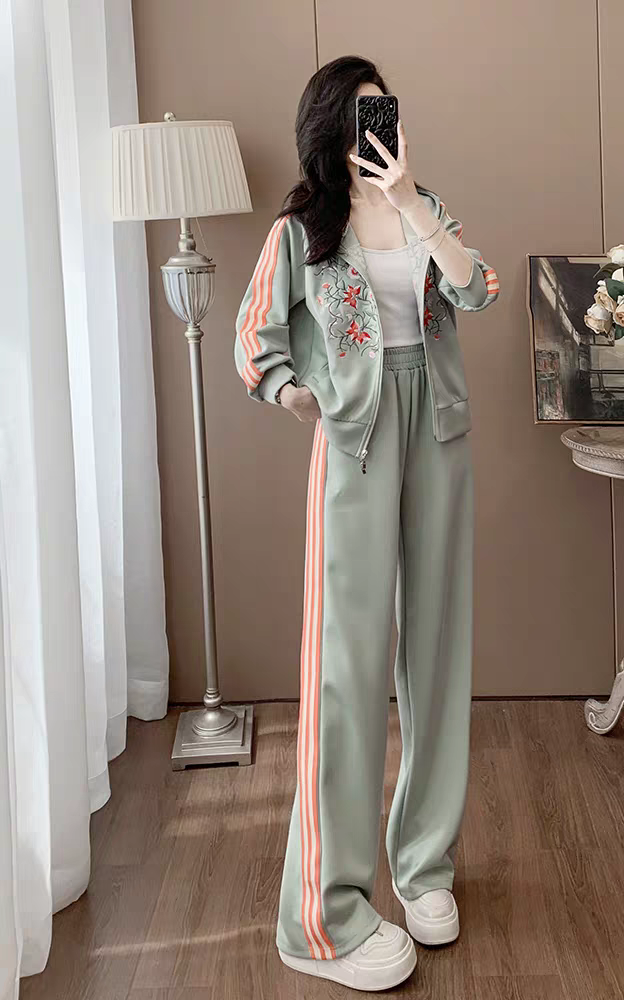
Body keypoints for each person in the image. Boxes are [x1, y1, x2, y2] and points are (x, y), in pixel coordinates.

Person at [234, 55, 499, 992]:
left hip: (439, 433)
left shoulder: (425, 206)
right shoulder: (302, 227)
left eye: (380, 111)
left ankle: (424, 865)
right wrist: (291, 390)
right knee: (344, 670)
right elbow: (254, 337)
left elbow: (477, 288)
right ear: (327, 126)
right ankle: (323, 915)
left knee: (436, 652)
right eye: (353, 115)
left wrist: (412, 199)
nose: (369, 129)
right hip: (353, 440)